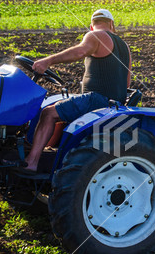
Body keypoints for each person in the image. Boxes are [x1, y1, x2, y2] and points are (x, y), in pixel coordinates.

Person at [23, 9, 132, 172]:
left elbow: (81, 51)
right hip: (114, 102)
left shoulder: (96, 35)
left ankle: (31, 162)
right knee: (59, 110)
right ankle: (48, 155)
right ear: (112, 24)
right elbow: (127, 82)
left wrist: (48, 60)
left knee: (47, 113)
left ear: (91, 25)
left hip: (96, 100)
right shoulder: (125, 47)